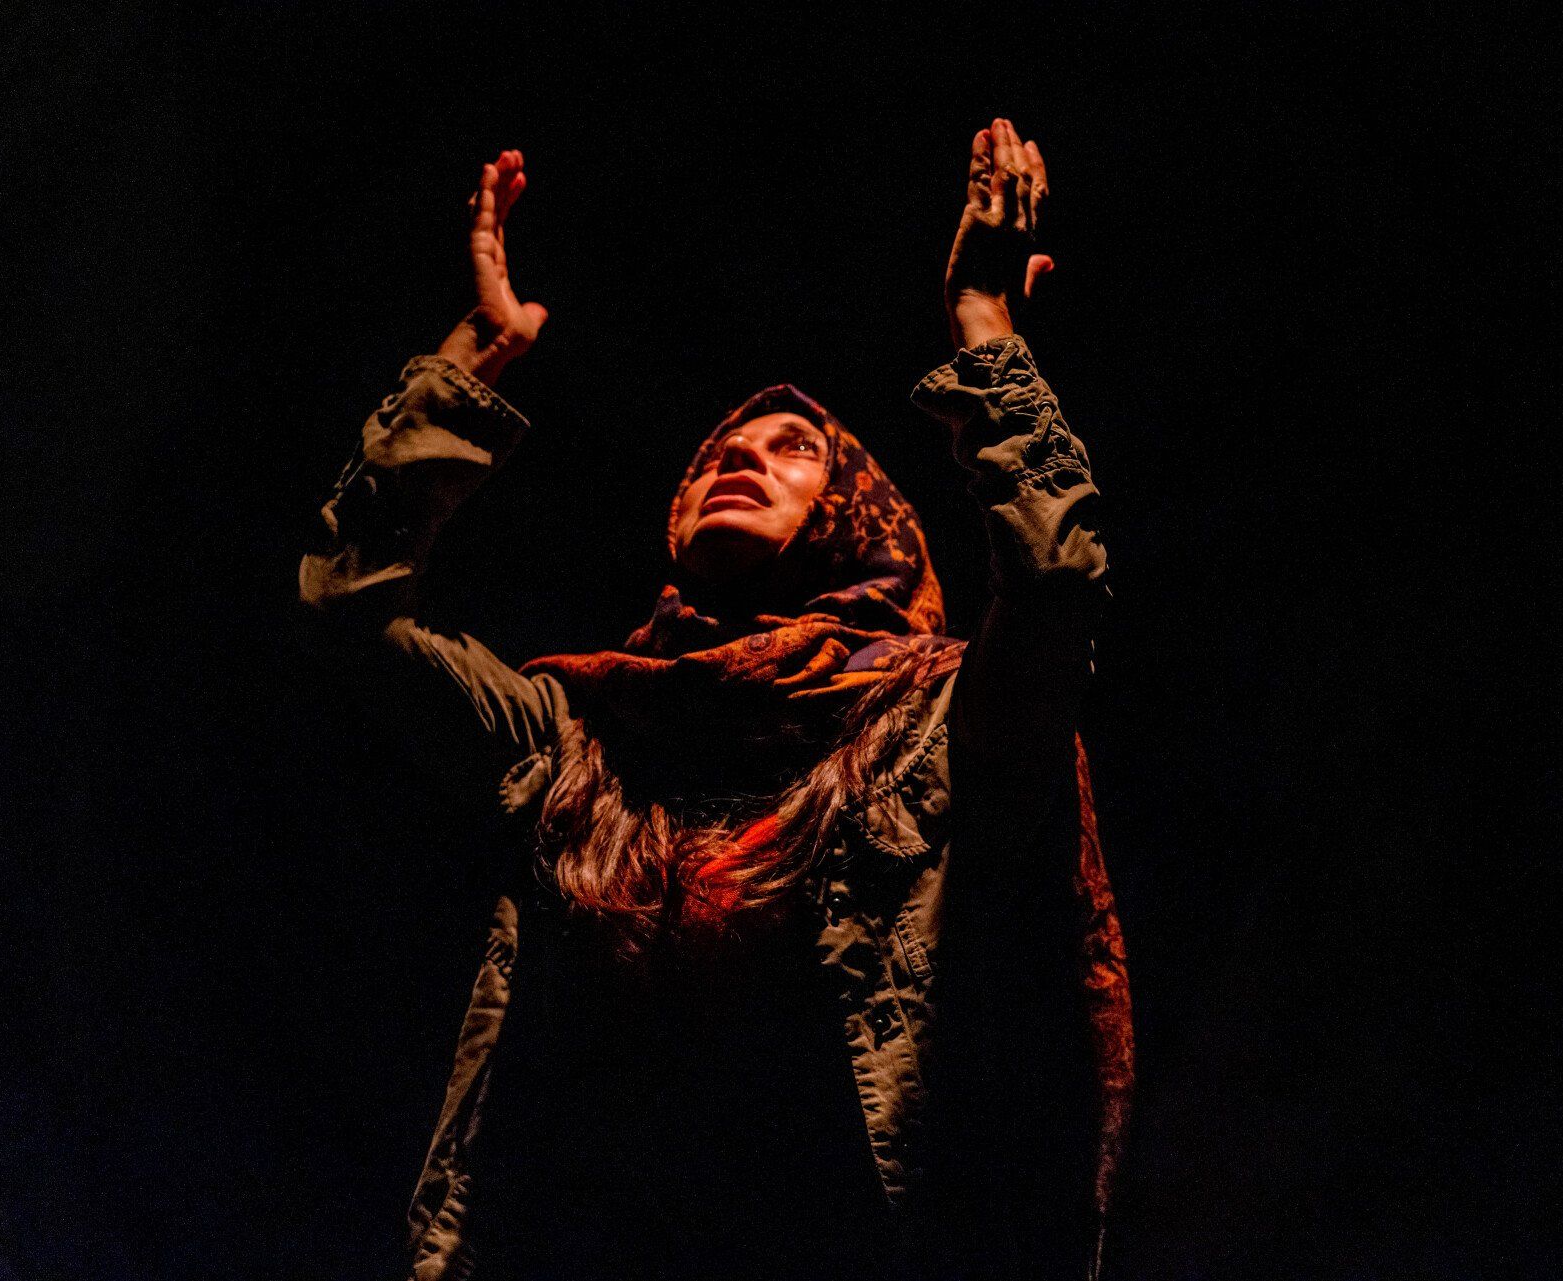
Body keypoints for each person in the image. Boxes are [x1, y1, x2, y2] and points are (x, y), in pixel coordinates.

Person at [300, 119, 1133, 1281]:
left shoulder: (933, 719)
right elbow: (349, 607)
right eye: (717, 457)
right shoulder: (581, 732)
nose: (741, 457)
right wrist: (467, 367)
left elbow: (1055, 584)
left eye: (794, 449)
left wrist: (984, 324)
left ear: (855, 516)